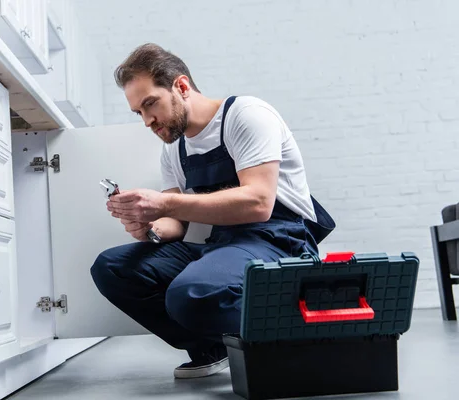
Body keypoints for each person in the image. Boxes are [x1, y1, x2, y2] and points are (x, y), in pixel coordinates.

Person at [90, 43, 336, 379]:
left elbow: (259, 203)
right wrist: (150, 227)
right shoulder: (174, 150)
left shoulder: (246, 115)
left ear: (181, 87)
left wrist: (164, 203)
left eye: (150, 104)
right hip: (224, 245)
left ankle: (299, 337)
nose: (148, 121)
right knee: (112, 268)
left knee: (191, 294)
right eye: (139, 112)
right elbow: (177, 222)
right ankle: (214, 345)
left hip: (280, 242)